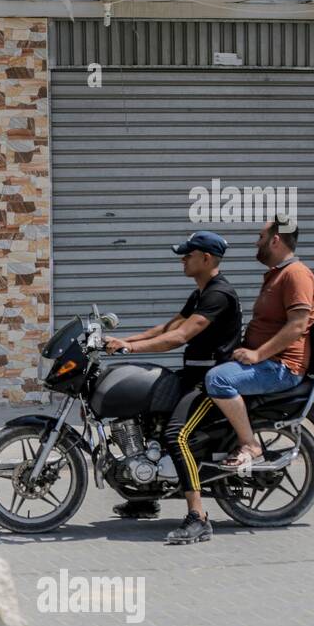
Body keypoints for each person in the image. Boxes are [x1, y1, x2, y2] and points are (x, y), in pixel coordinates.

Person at [104, 231, 241, 545]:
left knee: (175, 435)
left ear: (206, 259)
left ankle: (198, 517)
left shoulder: (219, 294)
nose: (182, 259)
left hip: (210, 382)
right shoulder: (200, 293)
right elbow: (167, 327)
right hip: (191, 375)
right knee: (145, 413)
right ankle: (144, 496)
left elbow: (180, 337)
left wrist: (132, 349)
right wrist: (120, 341)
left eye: (187, 254)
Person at [205, 216, 314, 473]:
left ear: (275, 240)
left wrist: (257, 354)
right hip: (269, 362)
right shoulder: (278, 275)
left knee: (218, 380)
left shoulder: (296, 274)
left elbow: (298, 325)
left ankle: (250, 445)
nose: (257, 243)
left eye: (261, 238)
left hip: (281, 367)